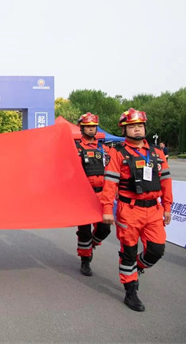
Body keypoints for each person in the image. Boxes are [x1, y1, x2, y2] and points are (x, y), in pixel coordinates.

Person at [98, 108, 173, 312]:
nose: (137, 130)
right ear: (124, 130)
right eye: (132, 126)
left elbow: (166, 182)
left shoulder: (157, 153)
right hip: (129, 210)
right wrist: (107, 209)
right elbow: (110, 184)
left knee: (157, 250)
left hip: (154, 210)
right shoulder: (117, 153)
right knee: (128, 252)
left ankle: (137, 267)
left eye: (140, 126)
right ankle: (130, 291)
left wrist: (167, 206)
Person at [74, 112, 112, 276]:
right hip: (83, 196)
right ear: (81, 128)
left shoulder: (105, 149)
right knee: (84, 231)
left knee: (105, 229)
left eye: (93, 127)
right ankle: (85, 260)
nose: (91, 129)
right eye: (88, 126)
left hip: (102, 194)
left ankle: (91, 245)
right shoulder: (75, 148)